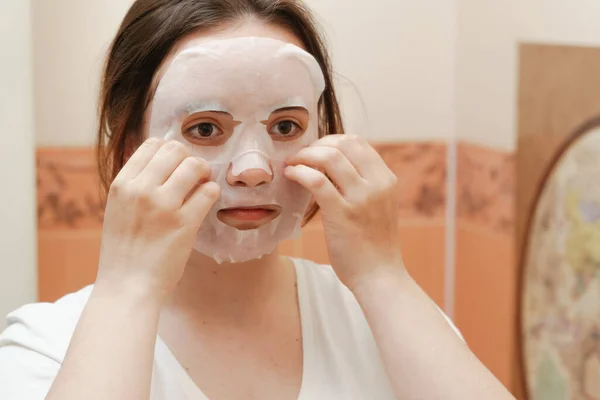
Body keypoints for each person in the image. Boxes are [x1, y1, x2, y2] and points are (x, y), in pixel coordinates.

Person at [0, 1, 514, 399]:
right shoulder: (46, 346)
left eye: (286, 126)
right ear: (132, 147)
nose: (253, 169)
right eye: (204, 128)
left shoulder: (389, 321)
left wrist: (383, 276)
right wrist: (127, 288)